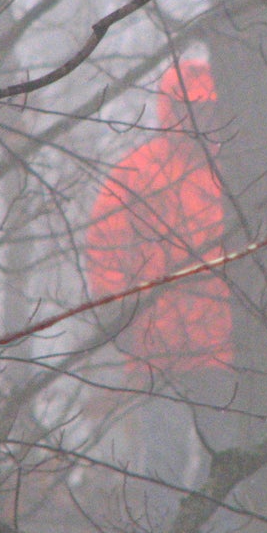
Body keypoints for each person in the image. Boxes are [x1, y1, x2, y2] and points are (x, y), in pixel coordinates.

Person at [85, 59, 236, 492]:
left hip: (222, 351)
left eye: (207, 107)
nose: (198, 117)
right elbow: (107, 256)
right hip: (156, 351)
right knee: (163, 458)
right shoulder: (133, 175)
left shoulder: (236, 173)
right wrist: (126, 323)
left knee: (224, 457)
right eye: (189, 106)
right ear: (169, 108)